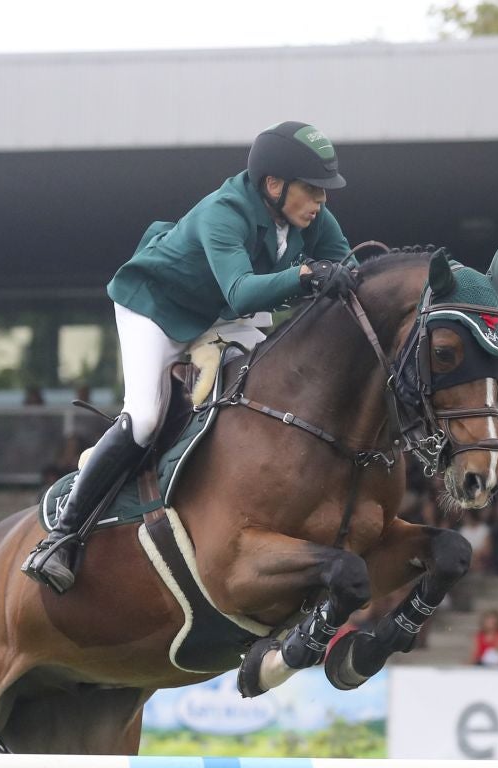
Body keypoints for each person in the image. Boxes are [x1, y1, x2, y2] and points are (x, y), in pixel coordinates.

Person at [23, 121, 355, 593]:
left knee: (275, 387)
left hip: (218, 315)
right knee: (144, 417)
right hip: (157, 309)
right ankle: (63, 536)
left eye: (324, 191)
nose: (322, 200)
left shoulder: (313, 218)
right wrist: (306, 276)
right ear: (274, 184)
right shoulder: (225, 212)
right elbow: (242, 293)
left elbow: (350, 271)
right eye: (312, 189)